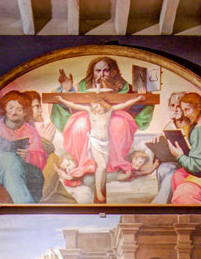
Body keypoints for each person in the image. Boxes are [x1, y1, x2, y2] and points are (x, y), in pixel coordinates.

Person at [52, 57, 154, 199]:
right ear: (92, 72)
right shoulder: (83, 86)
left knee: (119, 124)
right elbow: (73, 105)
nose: (101, 74)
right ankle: (85, 165)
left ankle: (114, 165)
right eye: (98, 70)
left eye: (106, 70)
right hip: (89, 119)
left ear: (113, 71)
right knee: (80, 124)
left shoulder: (124, 87)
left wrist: (141, 96)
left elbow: (131, 105)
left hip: (114, 117)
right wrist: (67, 90)